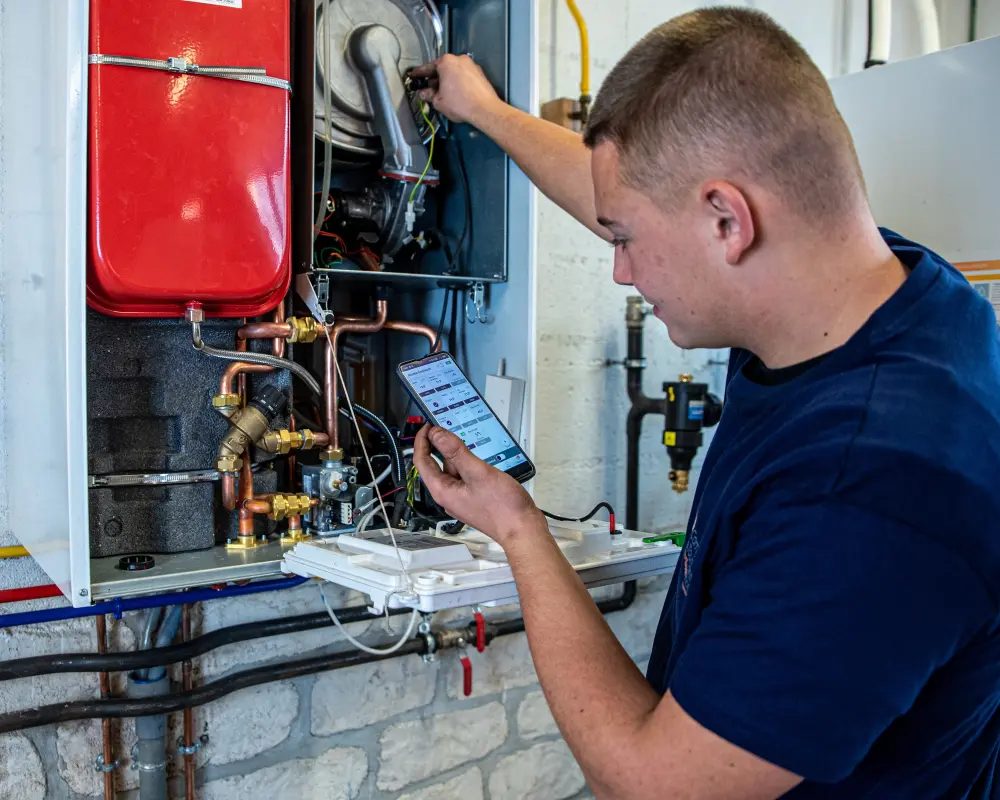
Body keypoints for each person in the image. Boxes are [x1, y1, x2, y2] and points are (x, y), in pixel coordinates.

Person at [410, 8, 1000, 799]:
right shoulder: (871, 288)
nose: (619, 270)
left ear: (728, 220)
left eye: (624, 242)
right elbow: (620, 198)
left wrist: (519, 527)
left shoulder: (873, 491)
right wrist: (482, 110)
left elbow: (650, 785)